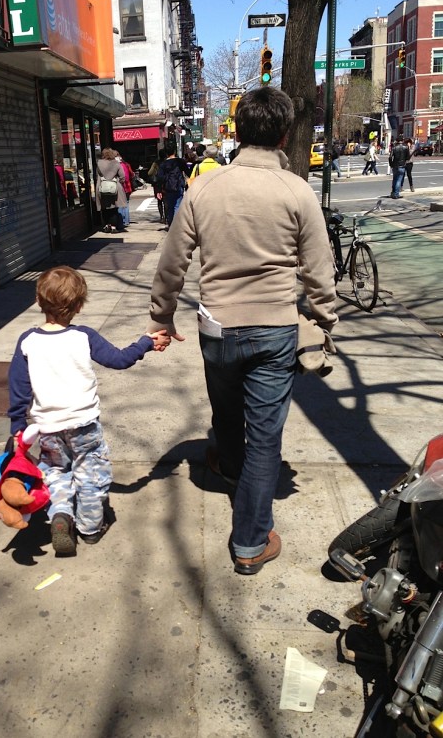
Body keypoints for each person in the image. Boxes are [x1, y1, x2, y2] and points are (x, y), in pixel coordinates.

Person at [147, 86, 337, 576]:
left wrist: (161, 315)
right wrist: (323, 319)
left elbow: (173, 262)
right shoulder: (296, 190)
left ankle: (229, 468)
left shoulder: (204, 187)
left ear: (237, 129)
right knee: (266, 437)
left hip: (219, 328)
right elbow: (319, 269)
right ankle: (251, 542)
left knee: (226, 414)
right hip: (274, 330)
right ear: (283, 133)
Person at [7, 266, 170, 555]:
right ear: (79, 306)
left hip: (48, 428)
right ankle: (90, 528)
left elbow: (18, 388)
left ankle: (61, 514)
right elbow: (119, 360)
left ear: (38, 300)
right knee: (91, 476)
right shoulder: (83, 336)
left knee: (56, 472)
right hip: (84, 425)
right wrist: (146, 342)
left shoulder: (28, 341)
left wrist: (17, 428)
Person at [156, 142, 187, 229]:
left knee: (170, 207)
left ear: (166, 153)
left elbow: (160, 177)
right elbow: (188, 172)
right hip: (179, 185)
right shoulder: (180, 161)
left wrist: (159, 190)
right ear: (174, 151)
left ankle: (171, 225)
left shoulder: (163, 164)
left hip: (168, 187)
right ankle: (177, 226)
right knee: (177, 205)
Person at [96, 147, 127, 232]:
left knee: (104, 208)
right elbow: (122, 176)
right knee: (114, 208)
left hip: (102, 187)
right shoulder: (116, 163)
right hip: (114, 188)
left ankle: (106, 225)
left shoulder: (99, 163)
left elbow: (97, 175)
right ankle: (113, 227)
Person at [116, 150, 135, 227]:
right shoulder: (126, 164)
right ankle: (126, 221)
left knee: (120, 204)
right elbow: (132, 174)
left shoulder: (115, 166)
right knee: (126, 204)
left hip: (120, 187)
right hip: (127, 186)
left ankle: (122, 221)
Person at [147, 148, 166, 223]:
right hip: (165, 183)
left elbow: (149, 173)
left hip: (157, 184)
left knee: (159, 201)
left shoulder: (156, 163)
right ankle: (166, 217)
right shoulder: (167, 162)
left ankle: (161, 216)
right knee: (165, 201)